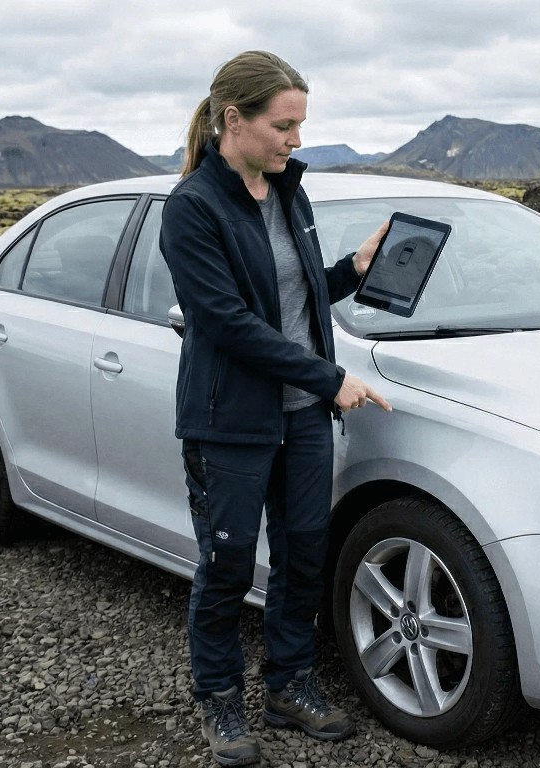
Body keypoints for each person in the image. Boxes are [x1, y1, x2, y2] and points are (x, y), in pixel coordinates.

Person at [160, 50, 391, 767]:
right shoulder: (192, 208)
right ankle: (219, 699)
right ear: (235, 119)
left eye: (300, 127)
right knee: (228, 564)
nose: (296, 141)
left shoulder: (290, 192)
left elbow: (288, 296)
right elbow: (229, 321)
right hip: (229, 419)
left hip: (301, 417)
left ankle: (289, 685)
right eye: (284, 126)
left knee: (302, 554)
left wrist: (348, 273)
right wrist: (328, 377)